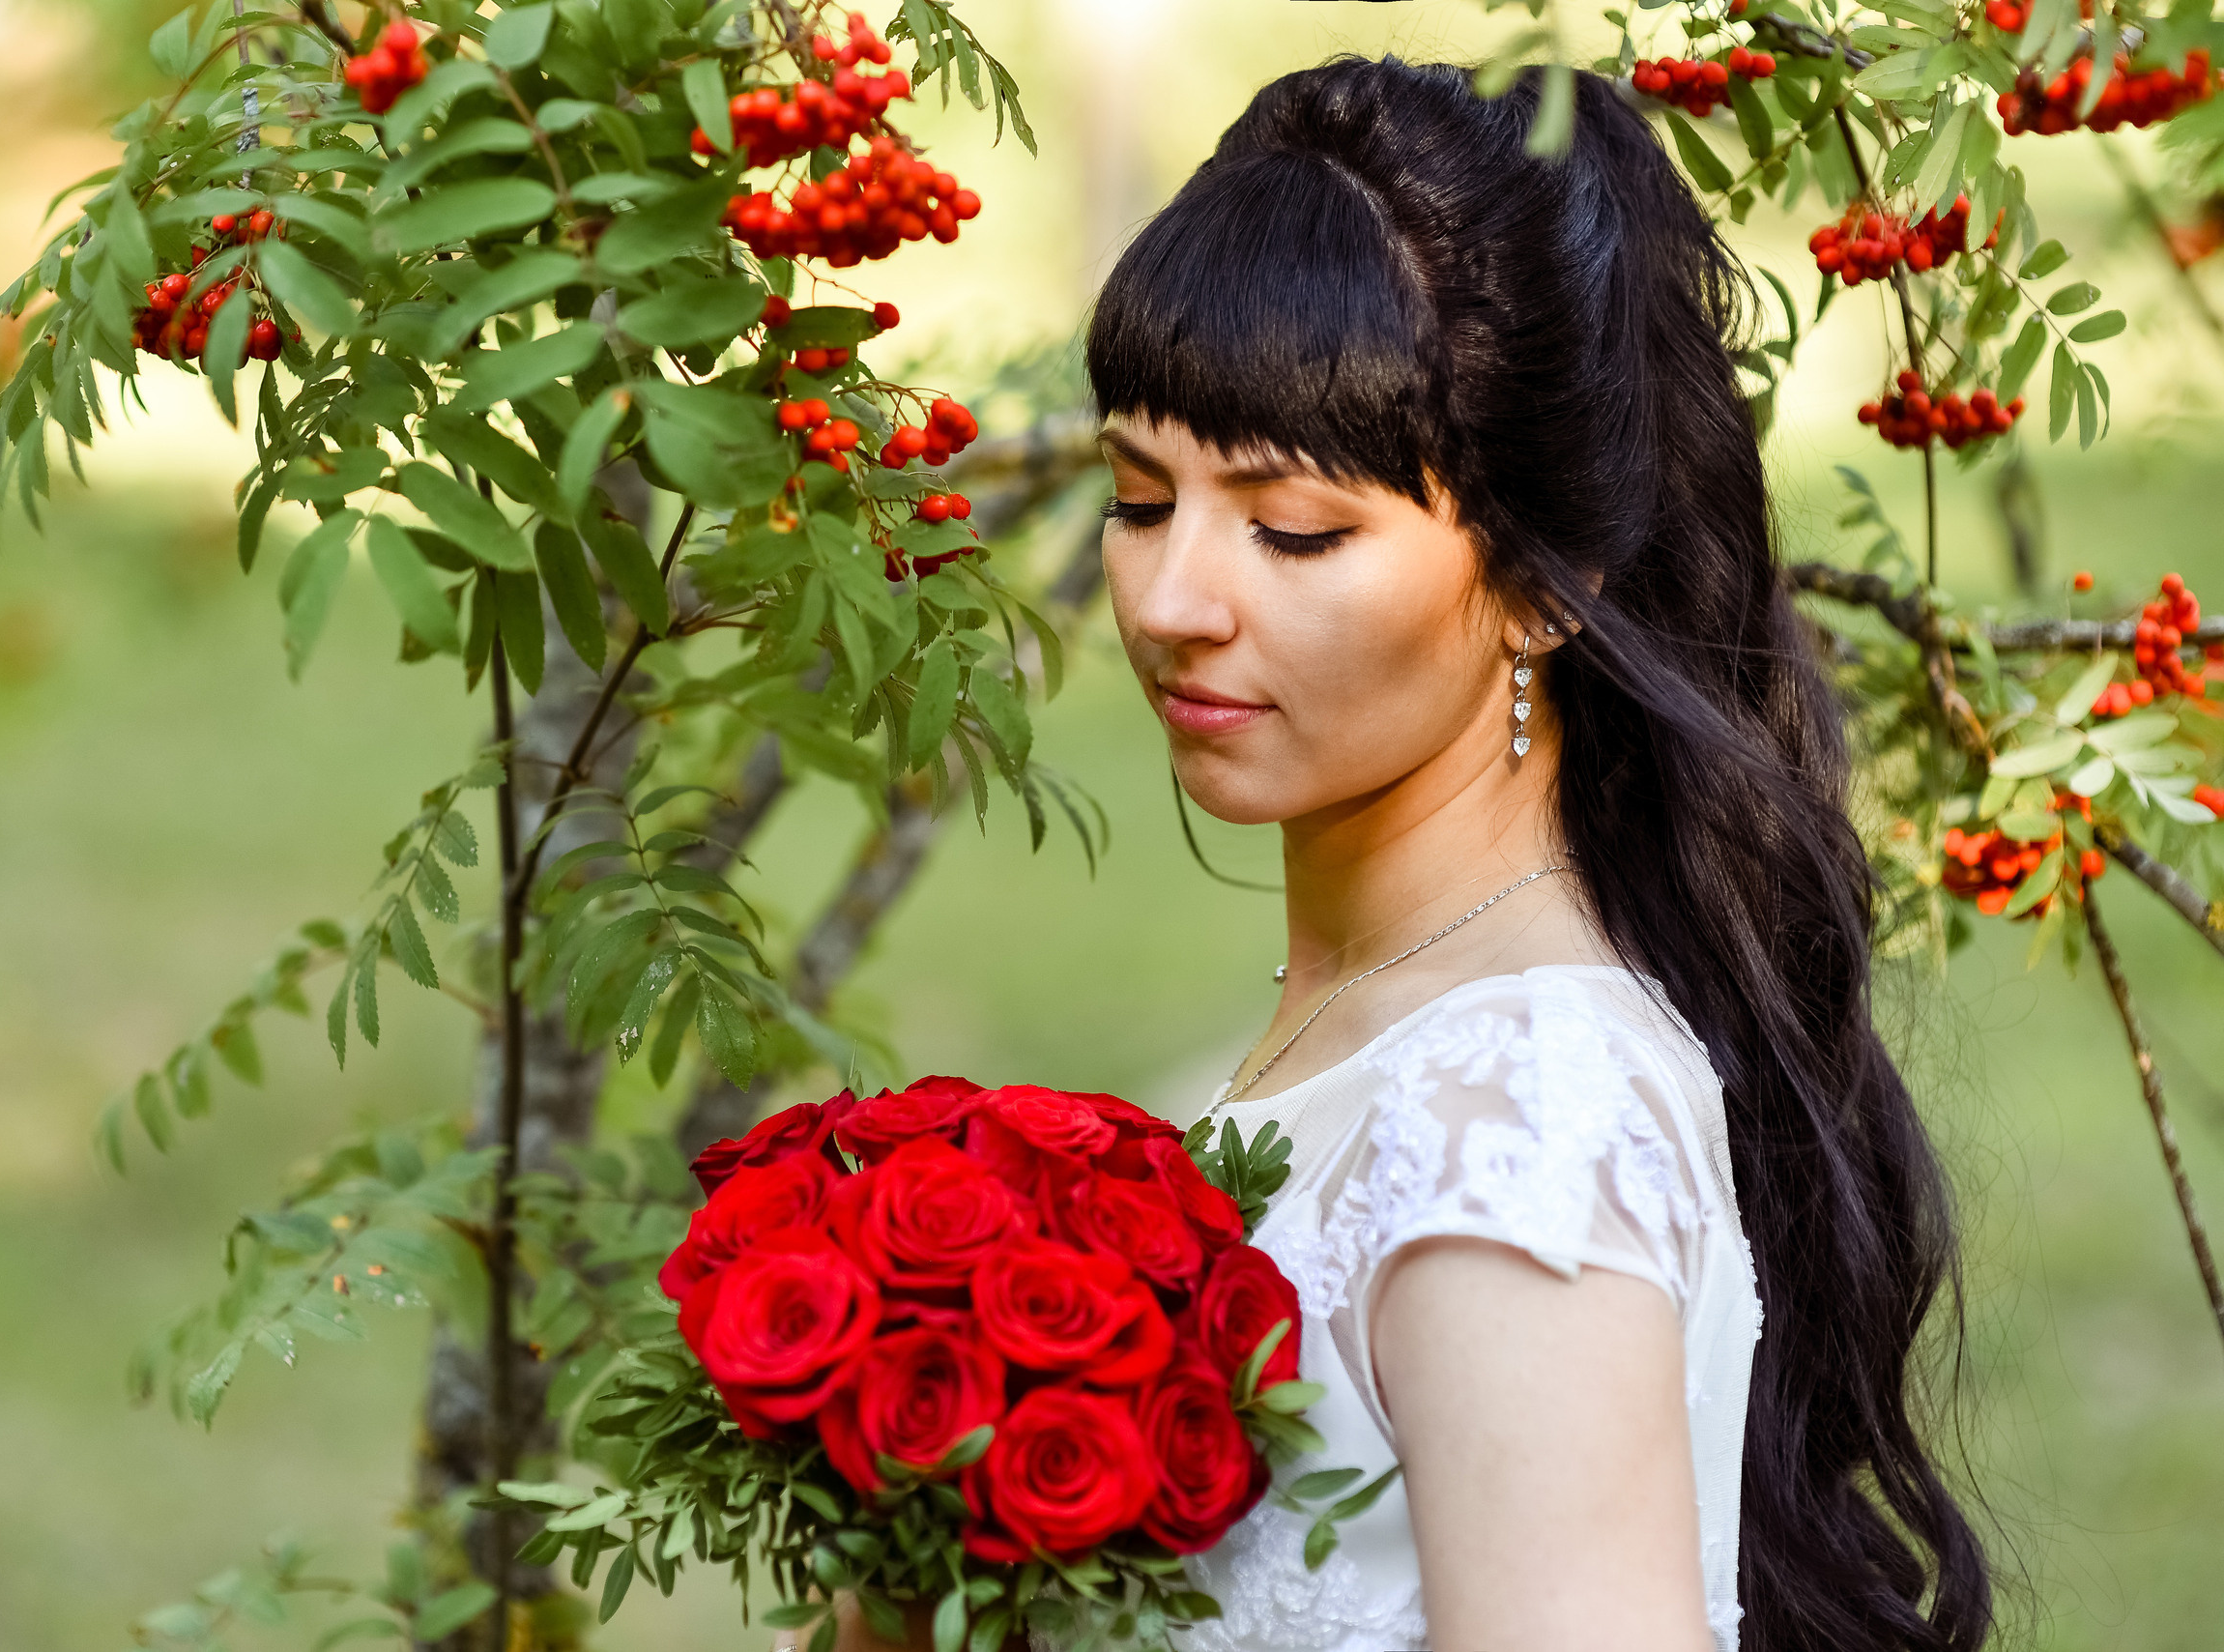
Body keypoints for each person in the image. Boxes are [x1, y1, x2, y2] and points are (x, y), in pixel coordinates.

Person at [812, 55, 1991, 1652]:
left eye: (1291, 529)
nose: (1169, 603)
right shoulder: (1399, 1021)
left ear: (1548, 577)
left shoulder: (1513, 1122)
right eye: (1141, 497)